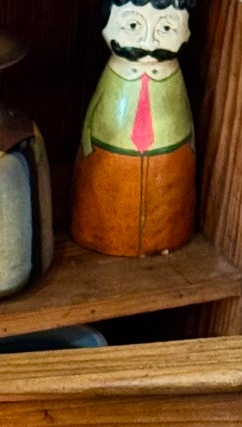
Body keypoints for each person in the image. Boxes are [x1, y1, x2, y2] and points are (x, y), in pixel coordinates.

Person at [72, 0, 198, 257]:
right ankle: (103, 236)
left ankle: (166, 236)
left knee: (167, 203)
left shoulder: (173, 78)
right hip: (111, 160)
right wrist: (88, 146)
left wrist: (190, 148)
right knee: (106, 198)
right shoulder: (114, 74)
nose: (149, 43)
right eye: (133, 25)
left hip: (169, 160)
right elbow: (94, 116)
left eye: (165, 28)